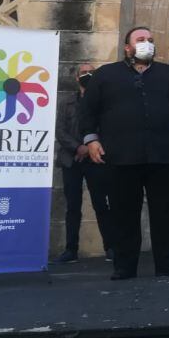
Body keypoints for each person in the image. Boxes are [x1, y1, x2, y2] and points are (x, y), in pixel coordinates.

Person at [82, 26, 169, 280]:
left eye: (150, 40)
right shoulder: (106, 75)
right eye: (140, 40)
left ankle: (168, 264)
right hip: (121, 156)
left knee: (166, 212)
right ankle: (125, 267)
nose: (146, 43)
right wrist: (91, 140)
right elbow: (88, 112)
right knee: (124, 212)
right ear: (127, 47)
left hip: (163, 155)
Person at [52, 62, 114, 263]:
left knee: (101, 204)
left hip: (95, 158)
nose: (88, 75)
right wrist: (77, 147)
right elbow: (59, 130)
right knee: (73, 206)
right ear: (77, 77)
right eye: (84, 73)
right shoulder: (66, 102)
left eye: (91, 72)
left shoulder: (103, 102)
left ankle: (110, 247)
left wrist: (88, 148)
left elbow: (107, 128)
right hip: (71, 159)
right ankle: (71, 250)